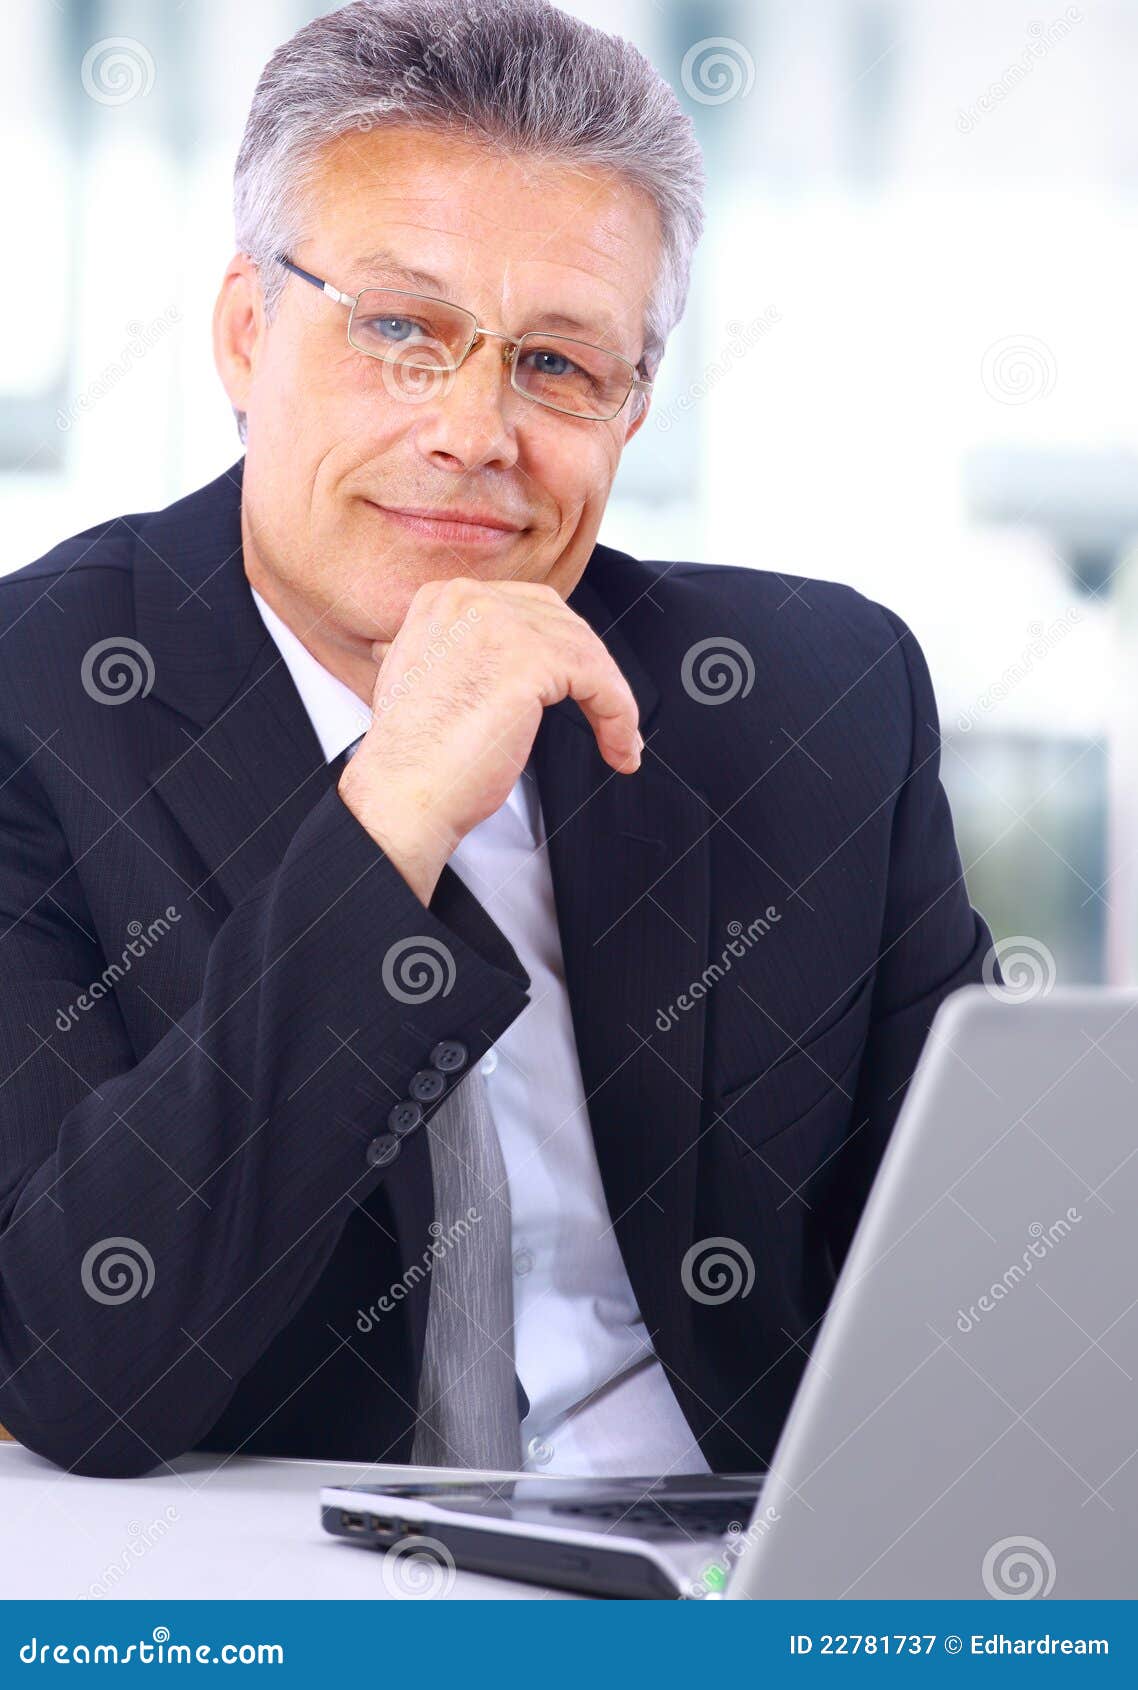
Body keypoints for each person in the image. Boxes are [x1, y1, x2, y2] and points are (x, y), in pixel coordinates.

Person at [0, 0, 993, 1479]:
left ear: (630, 410)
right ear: (246, 334)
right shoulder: (36, 698)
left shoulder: (818, 698)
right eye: (401, 330)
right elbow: (77, 1365)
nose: (474, 432)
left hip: (741, 1558)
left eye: (557, 365)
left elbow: (987, 1276)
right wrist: (393, 809)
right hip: (278, 1574)